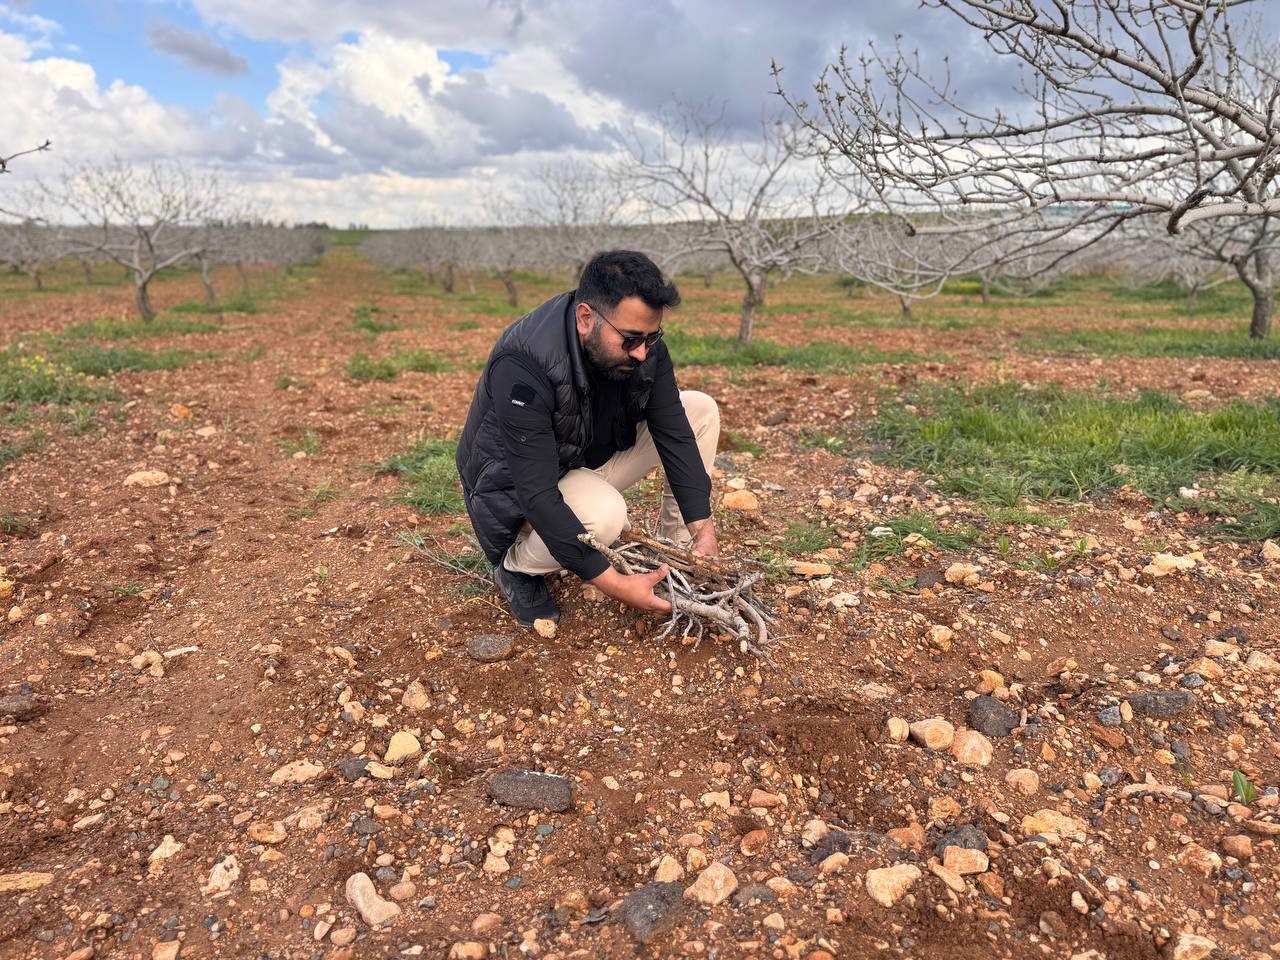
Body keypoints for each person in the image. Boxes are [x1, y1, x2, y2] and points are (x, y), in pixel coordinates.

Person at [455, 250, 720, 627]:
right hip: (520, 494)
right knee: (604, 517)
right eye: (630, 339)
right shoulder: (523, 364)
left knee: (700, 410)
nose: (643, 352)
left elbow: (675, 433)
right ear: (585, 318)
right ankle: (516, 567)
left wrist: (703, 530)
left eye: (652, 336)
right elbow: (536, 494)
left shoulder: (642, 346)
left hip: (583, 461)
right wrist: (616, 585)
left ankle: (676, 554)